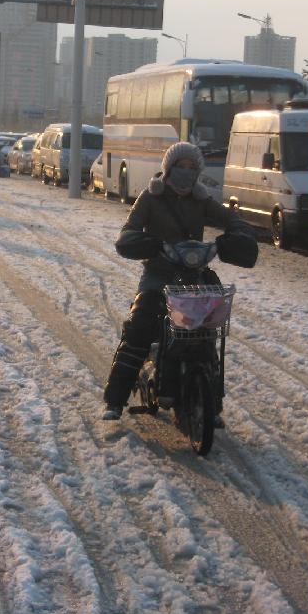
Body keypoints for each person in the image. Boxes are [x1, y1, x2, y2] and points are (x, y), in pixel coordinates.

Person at [101, 142, 258, 421]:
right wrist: (150, 244)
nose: (186, 173)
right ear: (168, 169)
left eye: (192, 168)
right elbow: (127, 234)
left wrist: (237, 235)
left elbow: (232, 220)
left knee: (208, 331)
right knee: (139, 327)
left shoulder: (202, 200)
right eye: (180, 167)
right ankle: (114, 400)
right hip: (158, 275)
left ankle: (212, 404)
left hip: (193, 276)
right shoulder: (150, 198)